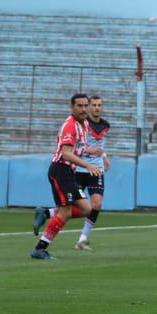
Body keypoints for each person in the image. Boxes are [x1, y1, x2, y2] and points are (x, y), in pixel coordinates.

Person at [29, 94, 101, 260]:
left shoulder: (83, 125)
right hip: (60, 170)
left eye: (85, 106)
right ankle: (40, 249)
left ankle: (46, 213)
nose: (84, 109)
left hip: (68, 172)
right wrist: (88, 165)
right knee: (66, 211)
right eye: (80, 106)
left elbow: (79, 149)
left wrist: (96, 153)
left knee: (86, 209)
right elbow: (66, 154)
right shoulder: (70, 126)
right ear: (72, 107)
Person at [73, 93, 111, 250]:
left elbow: (100, 145)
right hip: (80, 168)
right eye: (94, 105)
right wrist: (91, 150)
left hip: (96, 170)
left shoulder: (106, 125)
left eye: (99, 105)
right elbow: (76, 146)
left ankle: (82, 239)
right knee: (71, 207)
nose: (96, 108)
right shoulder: (82, 124)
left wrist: (104, 156)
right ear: (88, 107)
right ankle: (47, 214)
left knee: (97, 204)